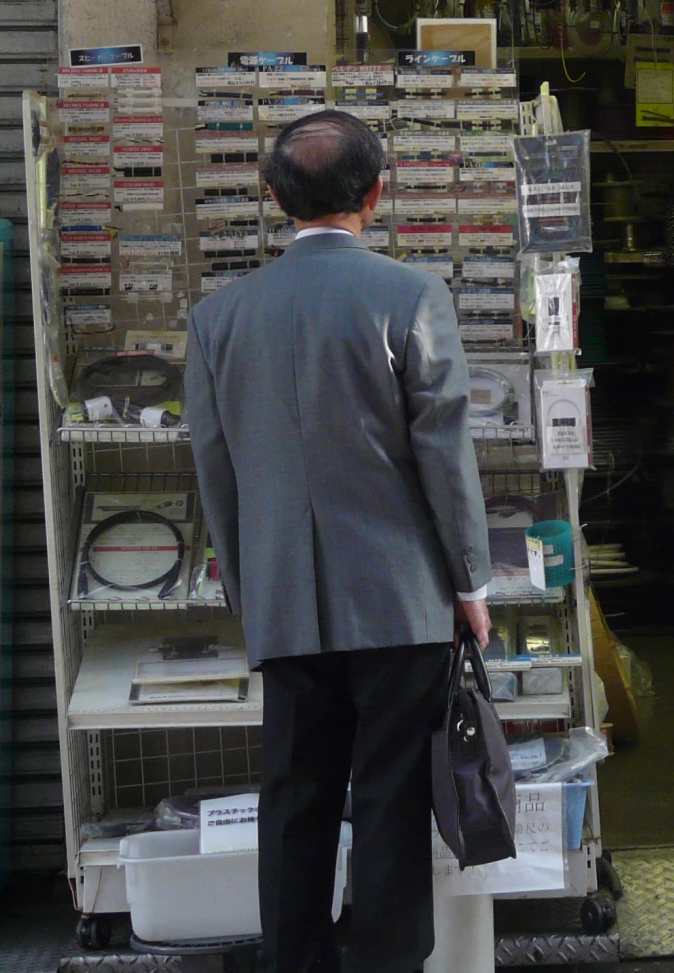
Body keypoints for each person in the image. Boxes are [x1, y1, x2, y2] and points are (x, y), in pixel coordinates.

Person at [185, 109, 492, 973]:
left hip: (284, 600)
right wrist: (470, 586)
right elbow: (444, 454)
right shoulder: (410, 295)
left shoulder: (218, 319)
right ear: (378, 194)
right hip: (400, 599)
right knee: (392, 797)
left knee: (293, 796)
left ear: (274, 196)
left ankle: (296, 961)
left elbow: (217, 473)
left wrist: (252, 594)